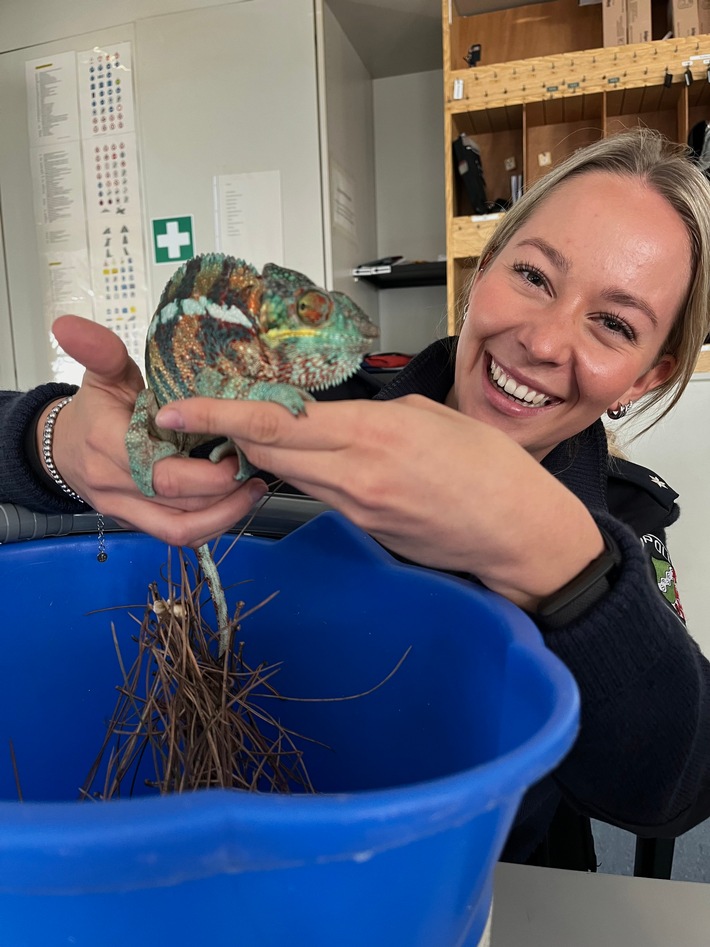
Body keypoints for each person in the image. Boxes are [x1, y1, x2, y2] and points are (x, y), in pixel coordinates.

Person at [1, 127, 710, 867]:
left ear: (644, 378)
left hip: (469, 883)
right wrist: (54, 440)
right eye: (534, 276)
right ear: (484, 269)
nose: (543, 340)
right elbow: (125, 426)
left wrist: (562, 561)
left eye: (614, 323)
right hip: (231, 861)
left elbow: (679, 781)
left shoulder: (626, 524)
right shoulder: (309, 402)